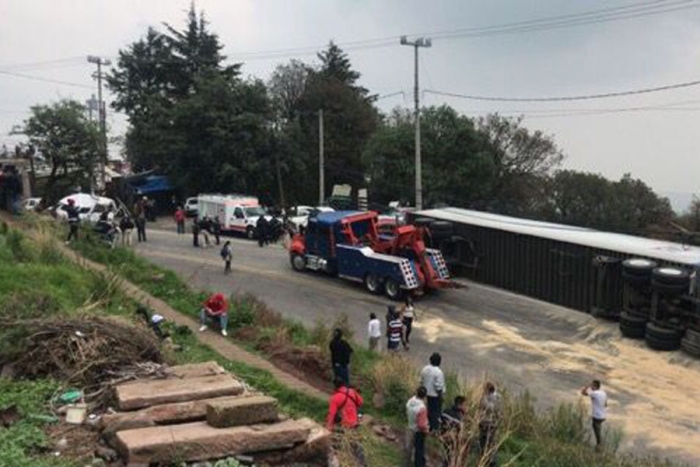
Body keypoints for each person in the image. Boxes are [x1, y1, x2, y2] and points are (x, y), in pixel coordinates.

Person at [420, 352, 445, 432]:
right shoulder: (438, 372)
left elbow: (421, 381)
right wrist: (441, 396)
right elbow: (438, 386)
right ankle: (433, 429)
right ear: (439, 362)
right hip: (435, 396)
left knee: (426, 411)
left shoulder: (425, 369)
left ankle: (426, 425)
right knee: (435, 413)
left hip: (425, 394)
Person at [405, 386, 429, 467]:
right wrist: (426, 430)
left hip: (410, 426)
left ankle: (407, 463)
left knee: (408, 448)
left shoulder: (410, 401)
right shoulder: (422, 408)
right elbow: (421, 424)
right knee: (419, 450)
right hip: (418, 431)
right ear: (425, 396)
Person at [479, 382, 502, 467]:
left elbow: (483, 408)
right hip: (494, 424)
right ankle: (492, 461)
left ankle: (485, 460)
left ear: (487, 390)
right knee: (492, 444)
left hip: (485, 424)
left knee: (484, 442)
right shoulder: (499, 398)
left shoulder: (484, 399)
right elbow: (500, 413)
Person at [581, 379, 608, 450]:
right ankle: (599, 444)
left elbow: (583, 392)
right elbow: (605, 404)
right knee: (598, 429)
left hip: (597, 416)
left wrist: (588, 386)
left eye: (592, 385)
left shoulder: (595, 393)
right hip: (603, 415)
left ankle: (599, 445)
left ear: (595, 386)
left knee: (597, 430)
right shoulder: (603, 393)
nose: (591, 387)